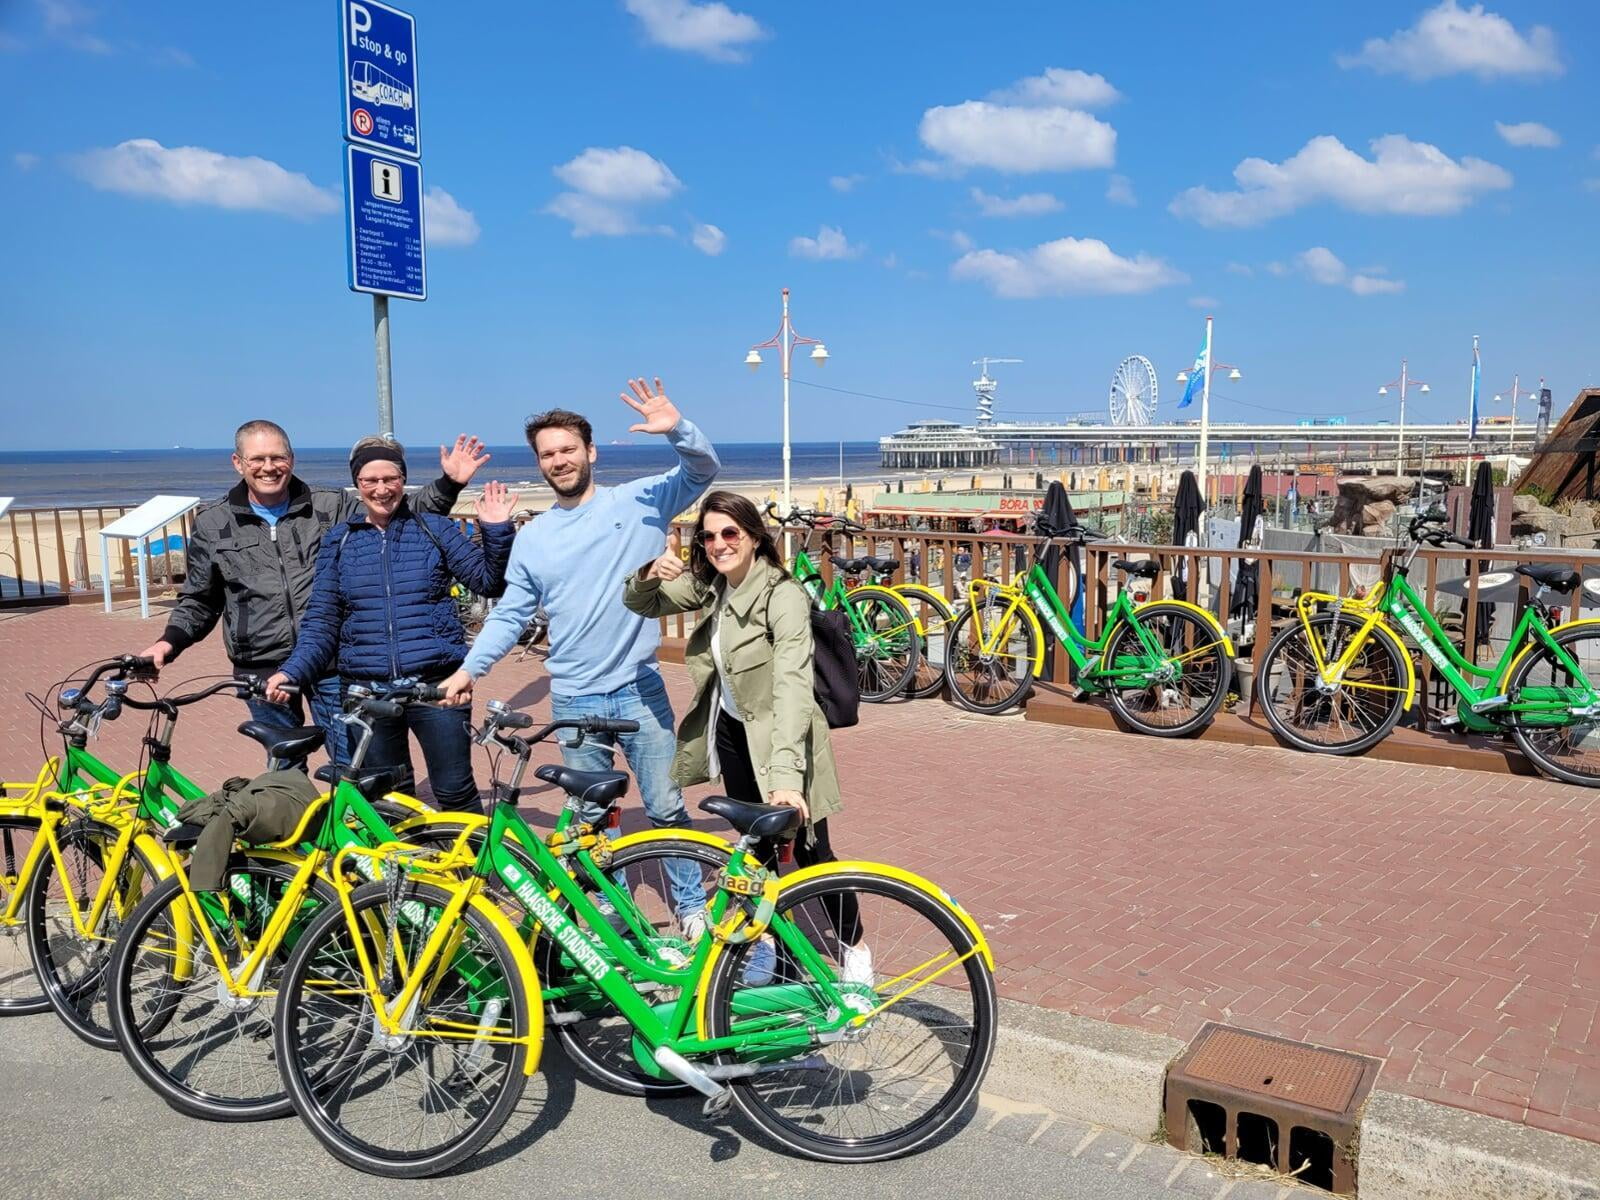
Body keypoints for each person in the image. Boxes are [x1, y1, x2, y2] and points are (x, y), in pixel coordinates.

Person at [439, 378, 718, 928]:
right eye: (548, 454)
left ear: (590, 452)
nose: (559, 461)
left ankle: (691, 910)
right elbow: (512, 614)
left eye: (568, 449)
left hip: (640, 689)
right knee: (592, 820)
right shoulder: (534, 537)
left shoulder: (641, 499)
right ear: (540, 464)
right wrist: (470, 669)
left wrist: (678, 429)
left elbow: (703, 471)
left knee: (665, 809)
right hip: (572, 698)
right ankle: (616, 920)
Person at [621, 490, 871, 985]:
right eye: (709, 536)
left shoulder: (782, 596)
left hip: (788, 740)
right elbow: (640, 603)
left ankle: (855, 949)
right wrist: (652, 571)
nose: (718, 543)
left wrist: (786, 779)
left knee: (810, 853)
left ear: (755, 537)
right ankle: (782, 961)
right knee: (756, 856)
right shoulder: (713, 585)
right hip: (737, 736)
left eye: (730, 533)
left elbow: (795, 690)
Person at [139, 419, 489, 768]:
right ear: (238, 462)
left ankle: (354, 824)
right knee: (285, 772)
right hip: (260, 666)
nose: (268, 467)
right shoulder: (214, 523)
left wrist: (449, 483)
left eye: (277, 457)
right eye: (257, 459)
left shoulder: (330, 505)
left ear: (291, 459)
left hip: (329, 662)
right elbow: (200, 599)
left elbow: (398, 516)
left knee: (352, 766)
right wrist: (167, 644)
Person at [264, 438, 517, 814]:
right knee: (391, 800)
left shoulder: (434, 529)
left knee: (455, 792)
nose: (381, 489)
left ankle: (470, 874)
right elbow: (322, 621)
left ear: (403, 480)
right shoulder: (340, 540)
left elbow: (489, 582)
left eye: (390, 478)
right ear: (358, 485)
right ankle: (407, 873)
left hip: (439, 687)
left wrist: (497, 531)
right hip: (368, 694)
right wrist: (293, 672)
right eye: (370, 480)